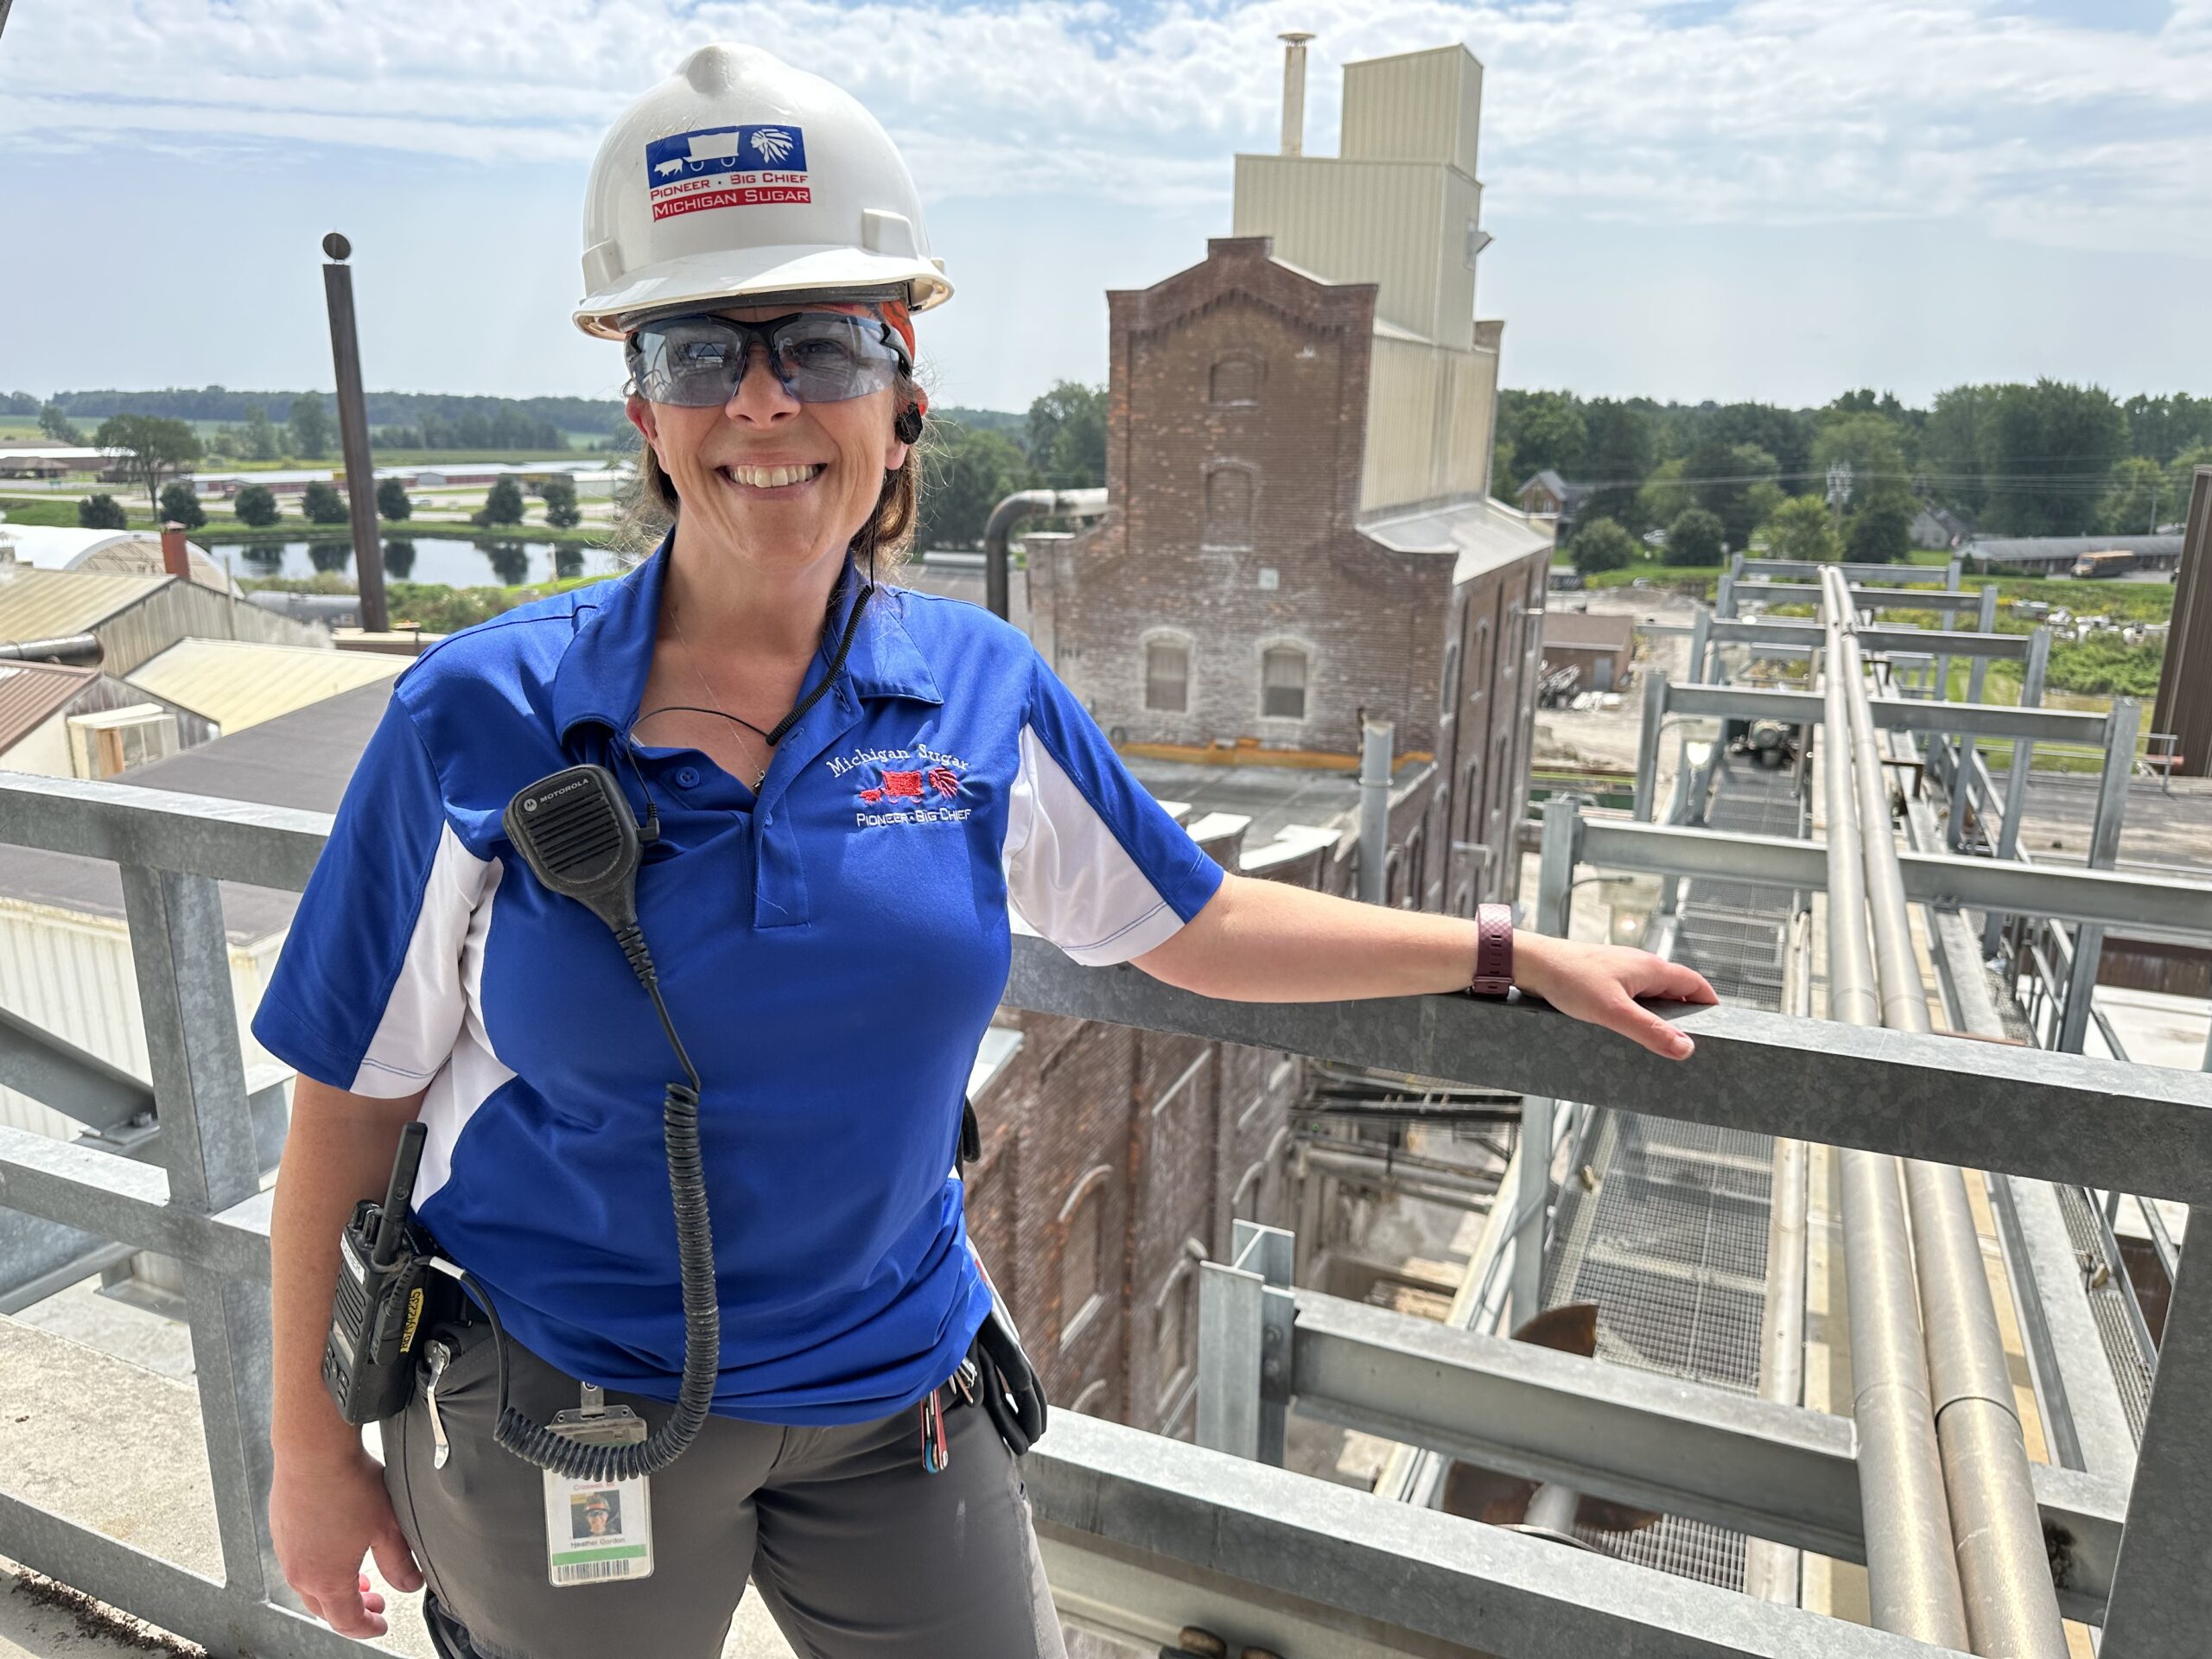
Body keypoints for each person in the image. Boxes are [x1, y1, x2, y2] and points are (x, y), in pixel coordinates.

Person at [260, 43, 1716, 1659]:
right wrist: (310, 1450)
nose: (764, 399)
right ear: (646, 412)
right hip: (573, 1405)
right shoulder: (483, 714)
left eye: (822, 344)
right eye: (700, 351)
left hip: (894, 1396)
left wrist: (1508, 954)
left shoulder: (978, 691)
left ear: (901, 405)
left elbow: (1193, 924)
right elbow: (352, 1098)